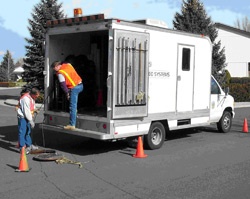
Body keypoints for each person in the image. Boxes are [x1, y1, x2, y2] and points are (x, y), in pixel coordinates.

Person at [51, 61, 83, 130]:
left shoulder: (60, 73)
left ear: (56, 67)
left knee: (72, 107)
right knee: (74, 103)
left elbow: (63, 85)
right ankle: (75, 113)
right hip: (80, 85)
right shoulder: (68, 65)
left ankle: (72, 125)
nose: (54, 71)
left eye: (54, 69)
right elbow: (66, 62)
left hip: (74, 88)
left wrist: (67, 93)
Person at [16, 87, 40, 154]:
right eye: (36, 95)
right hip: (23, 117)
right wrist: (31, 121)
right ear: (33, 94)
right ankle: (22, 148)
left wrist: (35, 110)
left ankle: (29, 145)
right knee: (22, 132)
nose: (37, 97)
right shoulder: (25, 99)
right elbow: (26, 111)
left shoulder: (31, 97)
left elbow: (31, 106)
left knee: (28, 131)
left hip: (28, 116)